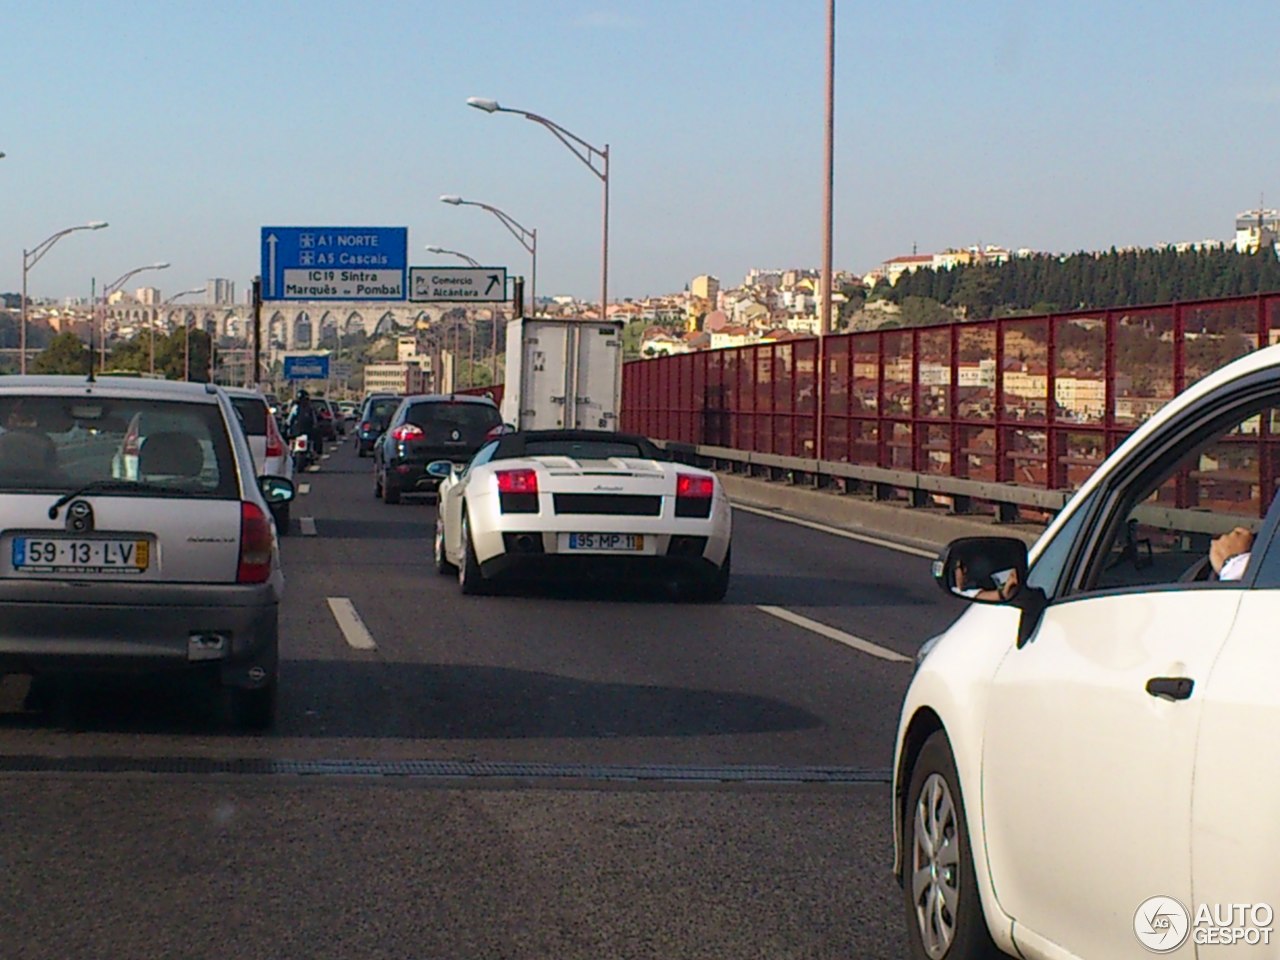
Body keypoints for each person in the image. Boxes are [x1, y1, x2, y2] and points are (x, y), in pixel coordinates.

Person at [286, 389, 321, 456]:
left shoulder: (298, 407)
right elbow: (289, 420)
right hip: (300, 432)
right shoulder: (307, 408)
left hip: (299, 432)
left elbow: (289, 420)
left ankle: (314, 451)